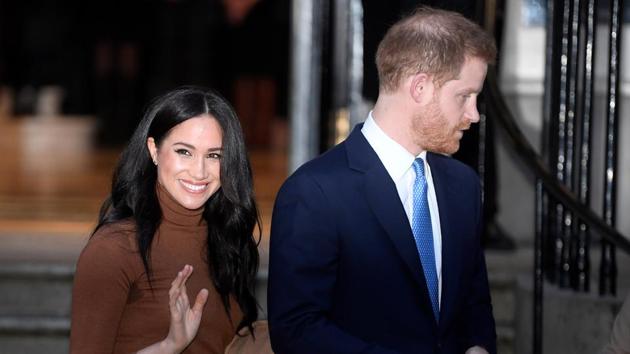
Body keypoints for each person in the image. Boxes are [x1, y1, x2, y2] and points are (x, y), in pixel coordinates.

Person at [268, 6, 497, 354]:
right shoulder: (315, 192)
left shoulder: (463, 186)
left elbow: (474, 305)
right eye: (464, 96)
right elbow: (297, 331)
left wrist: (478, 345)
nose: (474, 114)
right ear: (420, 87)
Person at [70, 87, 261, 353]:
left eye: (214, 155)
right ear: (154, 151)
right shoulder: (114, 249)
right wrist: (168, 346)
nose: (199, 171)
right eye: (184, 151)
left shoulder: (227, 239)